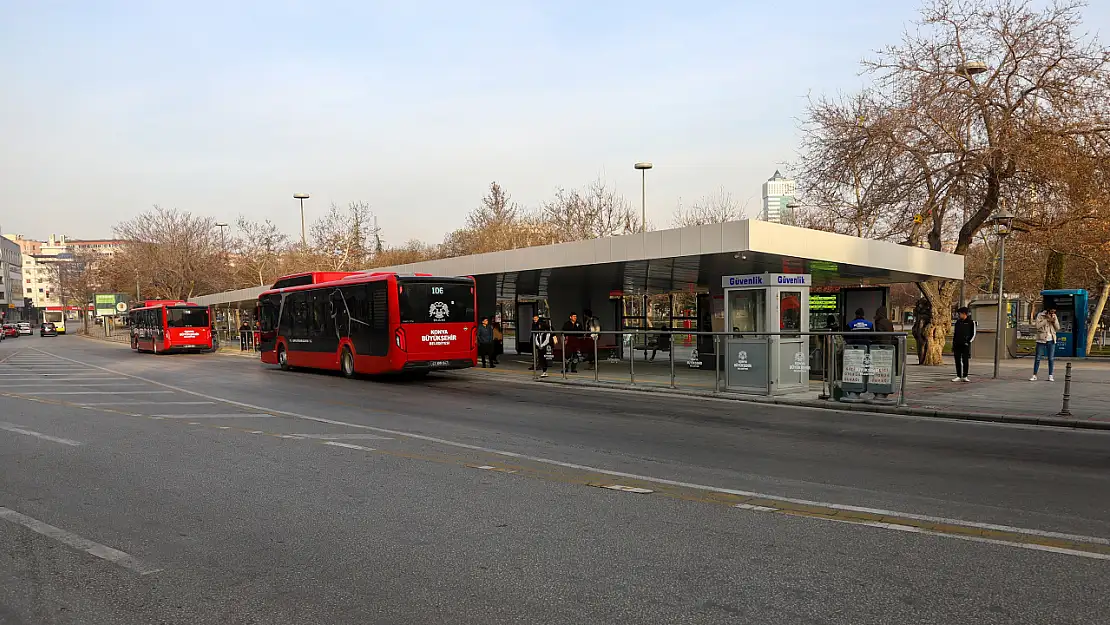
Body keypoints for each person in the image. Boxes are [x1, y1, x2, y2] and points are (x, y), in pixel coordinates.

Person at [1031, 306, 1061, 382]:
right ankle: (1034, 375)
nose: (1052, 313)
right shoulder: (1040, 315)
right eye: (1051, 312)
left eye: (1054, 312)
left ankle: (1050, 375)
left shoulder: (1054, 316)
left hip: (1051, 339)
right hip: (1041, 339)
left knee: (1051, 358)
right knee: (1038, 358)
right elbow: (1037, 326)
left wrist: (1054, 321)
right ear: (1047, 311)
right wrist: (1046, 320)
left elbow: (1058, 328)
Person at [951, 306, 976, 382]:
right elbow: (955, 333)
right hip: (957, 344)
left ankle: (965, 375)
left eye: (960, 314)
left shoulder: (971, 322)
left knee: (965, 360)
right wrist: (954, 343)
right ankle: (958, 375)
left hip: (965, 344)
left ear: (965, 314)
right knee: (957, 360)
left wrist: (968, 342)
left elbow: (973, 333)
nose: (959, 315)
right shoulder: (958, 322)